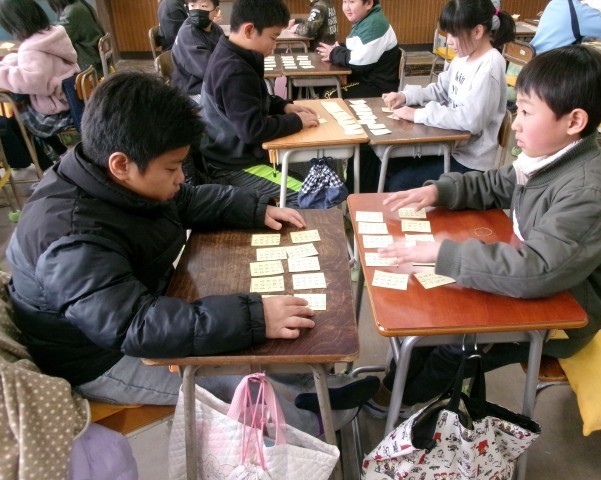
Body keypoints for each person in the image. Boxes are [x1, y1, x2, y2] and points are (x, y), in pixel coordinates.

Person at [6, 70, 375, 436]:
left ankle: (312, 388)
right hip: (103, 357)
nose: (181, 177)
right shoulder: (70, 239)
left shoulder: (110, 175)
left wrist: (252, 210)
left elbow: (184, 200)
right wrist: (254, 317)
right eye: (171, 168)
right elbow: (136, 327)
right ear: (121, 165)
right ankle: (315, 426)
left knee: (252, 323)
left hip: (140, 305)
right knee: (235, 380)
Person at [363, 45, 601, 417]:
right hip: (533, 278)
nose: (515, 123)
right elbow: (494, 183)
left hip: (564, 313)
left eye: (526, 112)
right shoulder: (551, 157)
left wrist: (443, 253)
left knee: (454, 338)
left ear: (573, 122)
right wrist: (439, 191)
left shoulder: (587, 192)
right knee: (436, 313)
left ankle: (405, 399)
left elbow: (536, 272)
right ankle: (399, 383)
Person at [367, 0, 515, 192]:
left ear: (478, 31)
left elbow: (472, 120)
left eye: (454, 34)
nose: (449, 41)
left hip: (470, 163)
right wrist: (406, 96)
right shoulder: (463, 57)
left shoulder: (490, 66)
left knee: (399, 183)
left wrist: (417, 114)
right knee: (380, 162)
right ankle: (364, 208)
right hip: (450, 146)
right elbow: (441, 90)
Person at [199, 0, 319, 208]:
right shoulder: (234, 70)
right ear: (249, 30)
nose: (274, 46)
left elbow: (253, 100)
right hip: (234, 165)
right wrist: (296, 121)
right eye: (273, 38)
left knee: (319, 166)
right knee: (315, 194)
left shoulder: (235, 54)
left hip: (240, 153)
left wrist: (283, 106)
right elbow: (252, 130)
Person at [0, 0, 79, 170]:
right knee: (23, 114)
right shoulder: (53, 35)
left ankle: (47, 169)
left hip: (57, 111)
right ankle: (62, 152)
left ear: (13, 23)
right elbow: (37, 67)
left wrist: (3, 73)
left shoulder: (31, 48)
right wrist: (12, 61)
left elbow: (30, 81)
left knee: (17, 122)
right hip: (72, 101)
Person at [316, 0, 400, 98]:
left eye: (352, 2)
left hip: (377, 87)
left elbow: (360, 61)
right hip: (365, 78)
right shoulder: (367, 20)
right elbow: (358, 49)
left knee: (329, 94)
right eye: (345, 2)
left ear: (369, 4)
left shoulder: (375, 24)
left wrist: (334, 53)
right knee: (320, 84)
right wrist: (339, 48)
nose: (347, 8)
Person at [171, 0, 225, 102]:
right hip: (191, 90)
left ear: (216, 11)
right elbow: (210, 71)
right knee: (228, 103)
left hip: (209, 83)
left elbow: (226, 54)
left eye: (203, 6)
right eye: (192, 5)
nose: (197, 10)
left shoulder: (217, 29)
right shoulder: (188, 33)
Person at [531, 0, 601, 55]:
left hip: (534, 55)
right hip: (554, 64)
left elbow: (566, 32)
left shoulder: (554, 2)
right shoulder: (577, 8)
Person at [46, 0, 105, 73]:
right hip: (96, 57)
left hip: (90, 64)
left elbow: (59, 40)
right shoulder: (79, 4)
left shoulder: (72, 11)